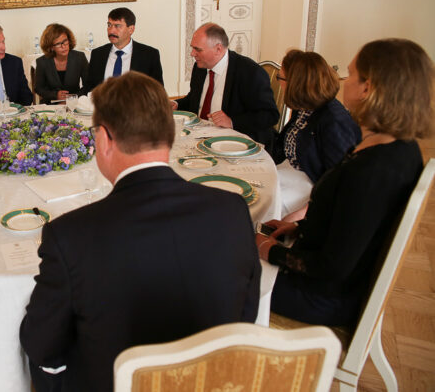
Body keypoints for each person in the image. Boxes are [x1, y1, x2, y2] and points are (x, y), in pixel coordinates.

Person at [20, 71, 260, 392]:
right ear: (170, 132)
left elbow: (40, 344)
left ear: (104, 140)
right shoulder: (232, 211)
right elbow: (245, 314)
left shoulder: (69, 236)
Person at [255, 39, 434, 326]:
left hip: (321, 295)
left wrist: (269, 250)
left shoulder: (373, 170)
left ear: (368, 88)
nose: (342, 82)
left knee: (217, 266)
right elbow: (351, 225)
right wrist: (298, 226)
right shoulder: (399, 146)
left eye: (350, 75)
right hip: (319, 272)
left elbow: (332, 267)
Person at [270, 50, 360, 218]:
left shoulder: (333, 120)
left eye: (280, 78)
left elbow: (338, 179)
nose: (279, 83)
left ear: (296, 84)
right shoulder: (305, 108)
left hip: (311, 185)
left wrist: (306, 211)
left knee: (263, 204)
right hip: (290, 172)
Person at [174, 23, 278, 146]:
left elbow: (270, 115)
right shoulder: (200, 67)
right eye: (192, 48)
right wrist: (176, 104)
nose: (192, 54)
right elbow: (195, 98)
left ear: (218, 49)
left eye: (198, 49)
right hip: (199, 137)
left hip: (236, 143)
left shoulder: (250, 72)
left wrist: (232, 121)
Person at [85, 7, 163, 93]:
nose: (111, 31)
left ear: (131, 29)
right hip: (102, 105)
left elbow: (158, 91)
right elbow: (89, 88)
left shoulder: (149, 55)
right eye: (109, 25)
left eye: (117, 26)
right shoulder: (98, 54)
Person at [34, 23, 89, 104]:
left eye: (65, 41)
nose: (64, 46)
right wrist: (55, 95)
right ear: (51, 47)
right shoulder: (42, 62)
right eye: (58, 44)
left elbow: (88, 85)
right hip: (50, 105)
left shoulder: (79, 57)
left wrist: (73, 97)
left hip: (75, 103)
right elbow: (39, 88)